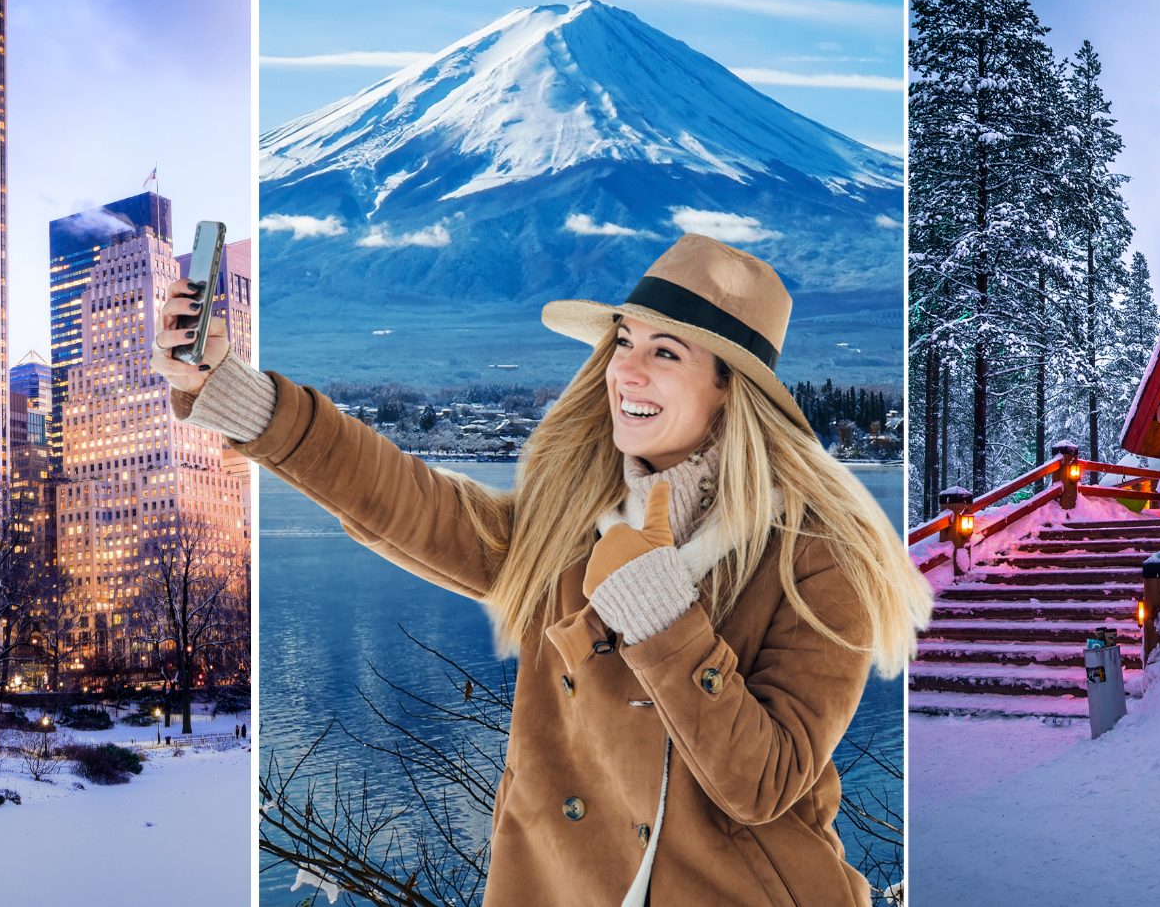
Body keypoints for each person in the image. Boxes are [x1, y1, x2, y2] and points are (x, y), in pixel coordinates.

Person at [153, 234, 931, 906]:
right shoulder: (573, 525)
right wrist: (235, 396)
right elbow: (406, 502)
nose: (628, 372)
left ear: (731, 390)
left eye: (665, 353)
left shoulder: (820, 557)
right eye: (623, 342)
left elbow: (763, 783)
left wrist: (659, 611)